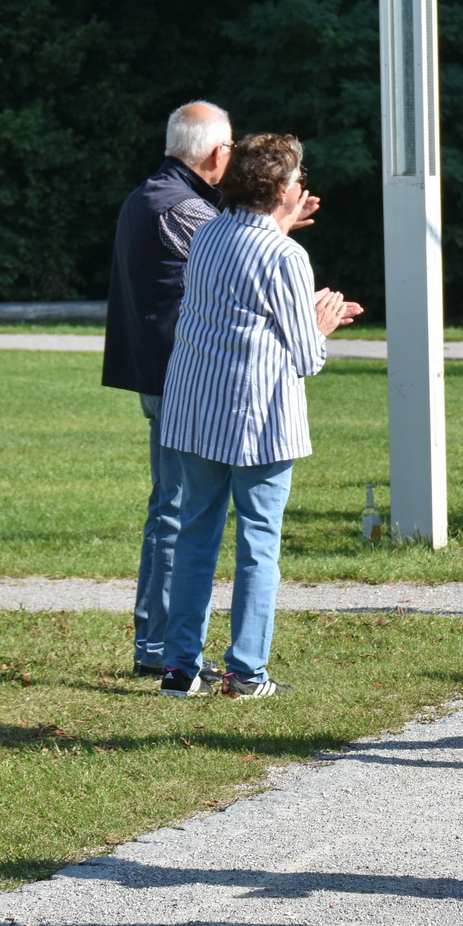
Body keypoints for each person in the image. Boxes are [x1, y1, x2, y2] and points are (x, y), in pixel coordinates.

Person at [156, 134, 359, 698]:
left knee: (196, 536)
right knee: (258, 545)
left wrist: (286, 229)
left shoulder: (209, 233)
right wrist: (322, 321)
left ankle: (179, 669)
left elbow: (246, 293)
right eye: (296, 178)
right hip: (257, 419)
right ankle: (246, 671)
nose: (302, 186)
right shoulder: (285, 255)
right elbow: (305, 356)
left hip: (196, 410)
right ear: (278, 189)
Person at [102, 102, 236, 682]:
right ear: (214, 152)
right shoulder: (182, 206)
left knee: (172, 508)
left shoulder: (147, 194)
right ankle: (159, 645)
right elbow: (236, 269)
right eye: (231, 146)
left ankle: (154, 640)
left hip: (157, 375)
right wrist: (276, 227)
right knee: (179, 513)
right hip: (178, 380)